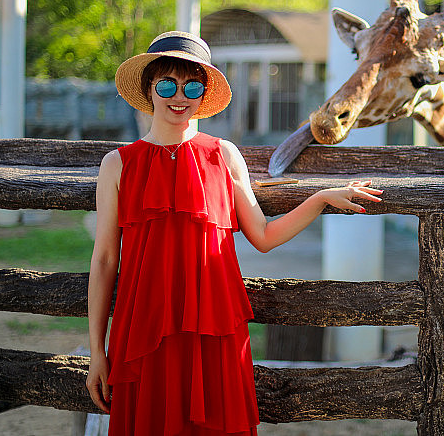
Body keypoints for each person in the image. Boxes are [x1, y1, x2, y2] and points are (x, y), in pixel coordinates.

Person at [86, 31, 383, 435]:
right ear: (148, 88)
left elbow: (261, 235)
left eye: (192, 85)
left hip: (215, 326)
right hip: (144, 330)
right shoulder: (117, 165)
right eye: (167, 84)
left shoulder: (224, 154)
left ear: (204, 92)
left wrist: (319, 198)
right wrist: (96, 352)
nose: (180, 96)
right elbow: (105, 259)